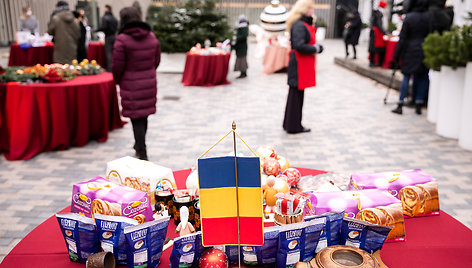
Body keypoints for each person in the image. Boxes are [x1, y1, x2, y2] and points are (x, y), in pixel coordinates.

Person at [112, 6, 161, 160]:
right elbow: (157, 60)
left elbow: (117, 66)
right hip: (148, 83)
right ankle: (139, 146)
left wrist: (119, 80)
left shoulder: (122, 40)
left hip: (130, 84)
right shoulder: (151, 37)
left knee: (136, 119)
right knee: (143, 116)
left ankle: (142, 150)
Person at [283, 0, 324, 134]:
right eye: (310, 8)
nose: (312, 10)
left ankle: (291, 123)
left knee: (296, 95)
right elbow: (299, 45)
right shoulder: (300, 25)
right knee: (296, 94)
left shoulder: (302, 23)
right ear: (303, 9)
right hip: (299, 64)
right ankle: (294, 126)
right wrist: (315, 48)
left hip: (301, 64)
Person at [391, 0, 431, 115]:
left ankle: (400, 103)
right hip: (424, 50)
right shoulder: (429, 17)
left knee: (406, 76)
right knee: (422, 77)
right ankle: (418, 103)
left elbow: (402, 37)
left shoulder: (409, 17)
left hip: (409, 50)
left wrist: (397, 54)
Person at [97, 5, 118, 71]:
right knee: (114, 52)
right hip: (114, 36)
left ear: (106, 9)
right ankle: (114, 66)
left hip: (108, 36)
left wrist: (96, 30)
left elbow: (103, 27)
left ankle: (110, 68)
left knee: (108, 53)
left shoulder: (105, 18)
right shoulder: (114, 18)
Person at [368, 1, 386, 67]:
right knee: (376, 47)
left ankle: (373, 62)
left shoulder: (375, 12)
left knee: (374, 47)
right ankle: (375, 62)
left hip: (374, 32)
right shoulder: (379, 13)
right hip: (377, 33)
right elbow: (379, 24)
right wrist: (384, 32)